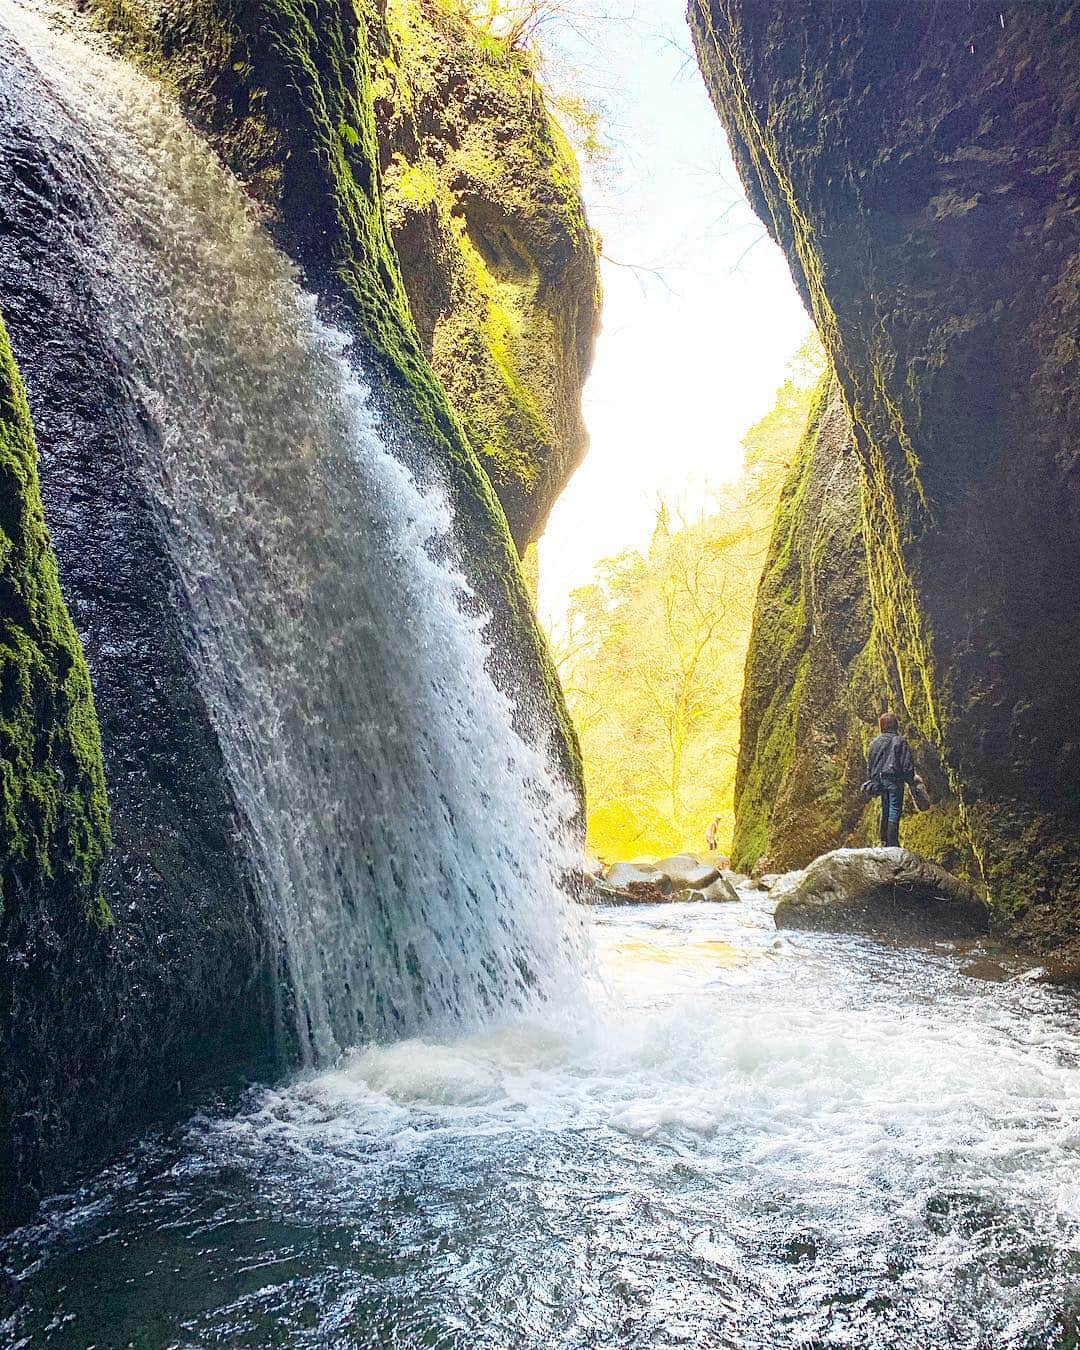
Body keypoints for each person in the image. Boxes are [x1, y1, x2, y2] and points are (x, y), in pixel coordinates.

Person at [865, 712, 916, 848]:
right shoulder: (899, 741)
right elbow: (906, 764)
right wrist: (911, 781)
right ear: (895, 725)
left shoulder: (874, 743)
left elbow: (870, 764)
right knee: (894, 808)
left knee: (885, 807)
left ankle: (884, 839)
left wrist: (872, 779)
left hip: (879, 780)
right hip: (894, 779)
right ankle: (892, 841)